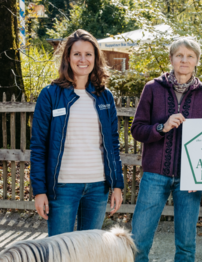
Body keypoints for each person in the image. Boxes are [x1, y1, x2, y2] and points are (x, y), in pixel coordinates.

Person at [30, 29, 124, 236]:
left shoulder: (104, 96)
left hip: (98, 187)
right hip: (62, 187)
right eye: (77, 54)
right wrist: (39, 191)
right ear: (67, 58)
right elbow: (38, 147)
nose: (83, 59)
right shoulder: (50, 95)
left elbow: (113, 145)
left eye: (88, 54)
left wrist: (117, 185)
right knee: (60, 252)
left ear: (96, 58)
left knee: (89, 252)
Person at [130, 37, 202, 262]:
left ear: (197, 60)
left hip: (190, 180)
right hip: (154, 176)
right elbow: (137, 130)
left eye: (190, 56)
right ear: (171, 59)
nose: (184, 60)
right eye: (179, 55)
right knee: (138, 241)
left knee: (186, 245)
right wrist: (162, 127)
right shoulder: (152, 89)